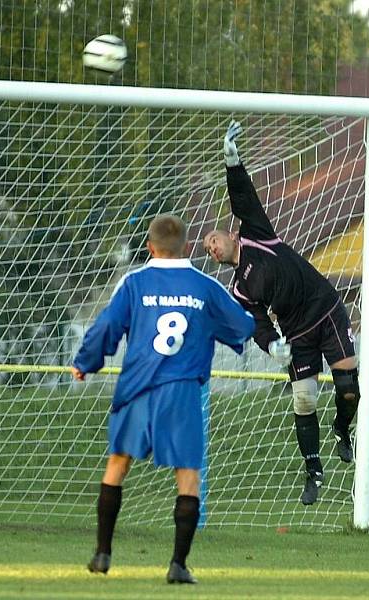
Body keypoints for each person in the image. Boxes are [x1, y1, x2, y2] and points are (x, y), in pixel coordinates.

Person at [72, 214, 255, 584]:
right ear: (187, 246)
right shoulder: (204, 286)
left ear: (149, 247)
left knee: (117, 465)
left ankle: (103, 553)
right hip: (181, 390)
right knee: (188, 475)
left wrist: (86, 362)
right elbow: (242, 325)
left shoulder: (134, 282)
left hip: (137, 387)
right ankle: (177, 565)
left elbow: (108, 325)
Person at [202, 121, 361, 506]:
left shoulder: (257, 234)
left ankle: (343, 430)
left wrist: (233, 162)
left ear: (229, 233)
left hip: (326, 310)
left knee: (348, 388)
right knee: (304, 402)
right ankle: (313, 472)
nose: (212, 248)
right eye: (207, 251)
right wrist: (273, 346)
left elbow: (243, 198)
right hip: (297, 335)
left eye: (213, 240)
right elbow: (256, 324)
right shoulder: (238, 287)